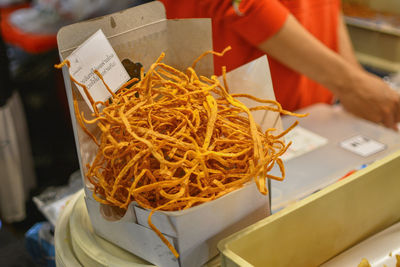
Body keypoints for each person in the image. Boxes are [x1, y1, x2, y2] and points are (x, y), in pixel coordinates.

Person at [158, 0, 400, 130]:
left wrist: (355, 78)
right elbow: (244, 4)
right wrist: (351, 84)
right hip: (234, 114)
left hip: (311, 112)